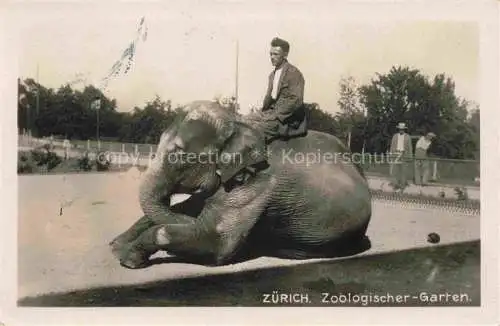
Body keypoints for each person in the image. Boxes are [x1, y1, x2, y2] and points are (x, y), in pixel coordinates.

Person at [247, 37, 308, 144]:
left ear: (285, 55)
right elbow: (270, 100)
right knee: (243, 121)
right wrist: (262, 113)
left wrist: (274, 115)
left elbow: (296, 100)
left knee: (254, 131)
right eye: (270, 54)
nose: (272, 57)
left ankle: (258, 159)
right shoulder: (272, 75)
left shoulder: (293, 73)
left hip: (287, 119)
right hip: (271, 114)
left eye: (276, 54)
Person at [389, 122, 413, 189]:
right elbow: (392, 146)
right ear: (398, 129)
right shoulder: (395, 136)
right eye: (400, 129)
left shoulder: (408, 137)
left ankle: (403, 184)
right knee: (395, 170)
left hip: (404, 154)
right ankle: (395, 184)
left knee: (404, 170)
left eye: (402, 129)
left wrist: (410, 156)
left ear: (404, 129)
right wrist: (391, 154)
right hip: (396, 154)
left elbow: (410, 147)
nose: (401, 130)